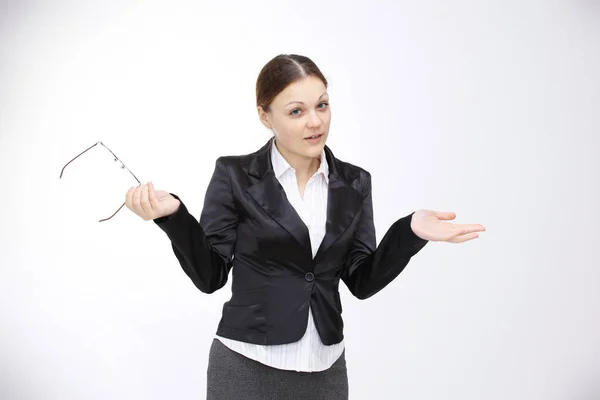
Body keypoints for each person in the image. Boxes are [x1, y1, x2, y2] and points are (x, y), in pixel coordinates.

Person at [124, 54, 486, 400]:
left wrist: (409, 231)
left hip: (326, 372)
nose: (315, 122)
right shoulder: (235, 176)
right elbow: (210, 276)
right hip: (246, 369)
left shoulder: (355, 182)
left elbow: (361, 281)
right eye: (296, 111)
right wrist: (172, 218)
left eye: (322, 105)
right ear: (265, 116)